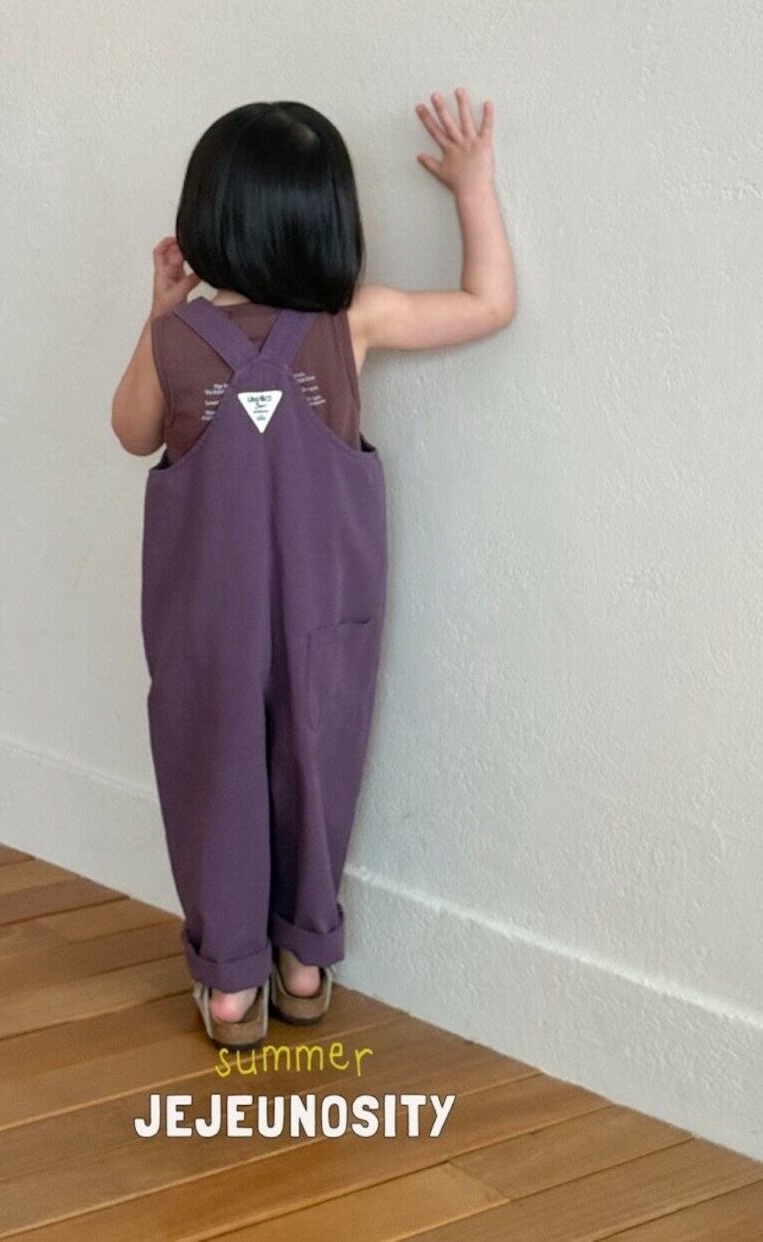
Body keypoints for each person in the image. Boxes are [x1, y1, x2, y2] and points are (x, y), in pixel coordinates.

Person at [112, 90, 516, 1046]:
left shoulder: (177, 342)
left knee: (215, 776)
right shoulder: (352, 322)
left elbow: (130, 432)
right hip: (323, 619)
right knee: (315, 762)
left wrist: (158, 312)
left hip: (208, 626)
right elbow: (489, 304)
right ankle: (302, 960)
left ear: (207, 219)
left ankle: (230, 989)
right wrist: (473, 185)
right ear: (330, 219)